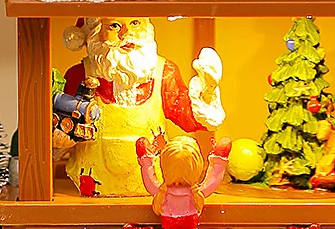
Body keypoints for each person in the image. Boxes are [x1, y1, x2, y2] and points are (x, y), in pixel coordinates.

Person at [61, 16, 223, 196]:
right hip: (94, 185)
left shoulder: (164, 73)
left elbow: (187, 117)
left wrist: (207, 91)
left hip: (154, 189)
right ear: (96, 32)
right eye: (114, 26)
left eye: (135, 23)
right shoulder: (79, 76)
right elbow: (63, 127)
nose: (126, 34)